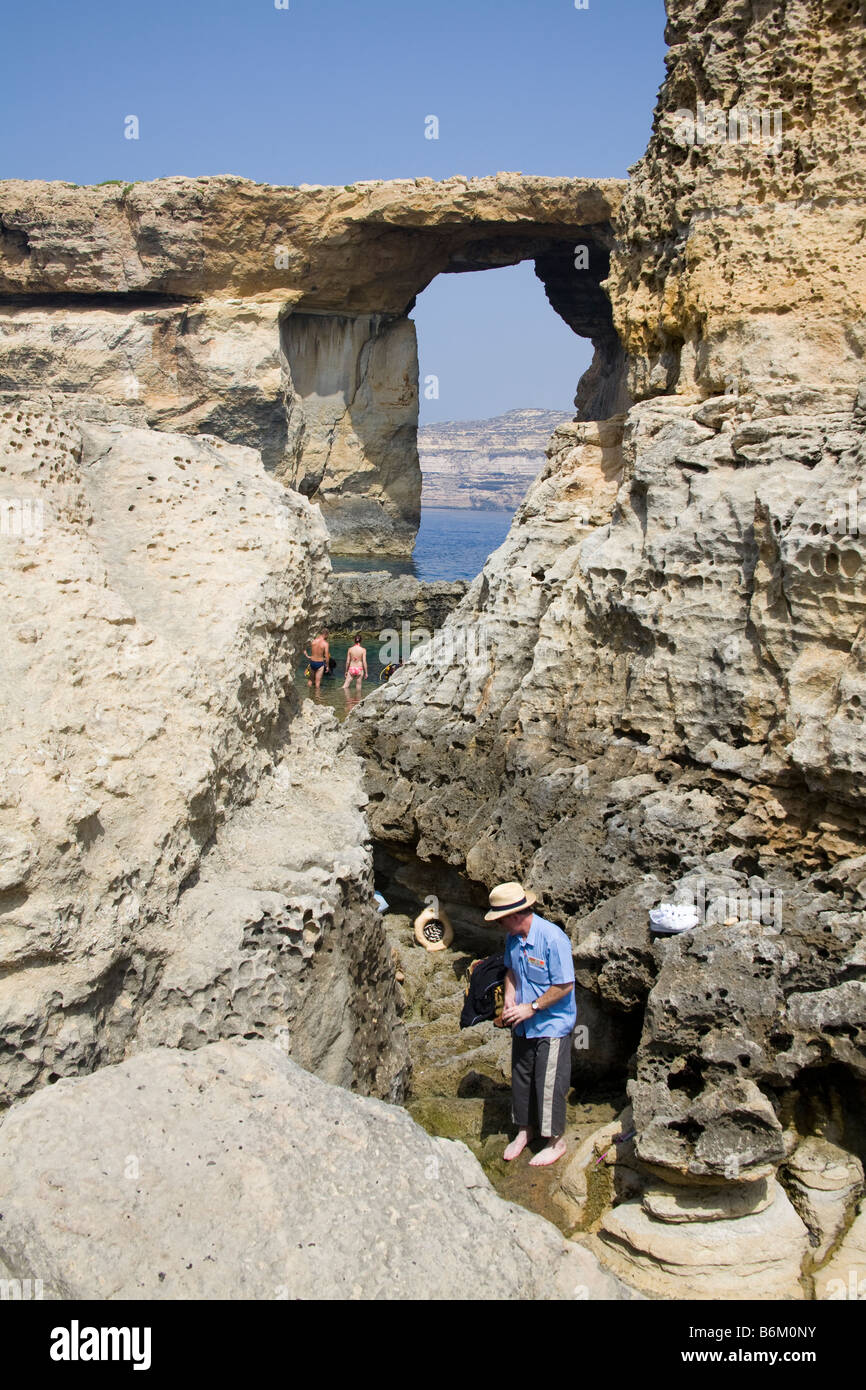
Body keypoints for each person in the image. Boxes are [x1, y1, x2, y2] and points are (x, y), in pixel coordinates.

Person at [484, 880, 576, 1167]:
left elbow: (564, 985)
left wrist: (532, 1007)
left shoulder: (553, 939)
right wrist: (510, 997)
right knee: (522, 1077)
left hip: (551, 1024)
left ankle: (555, 1141)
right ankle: (525, 1131)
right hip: (523, 1024)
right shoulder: (513, 938)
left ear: (514, 915)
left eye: (500, 919)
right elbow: (512, 971)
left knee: (548, 1082)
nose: (499, 925)